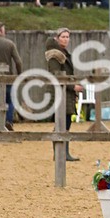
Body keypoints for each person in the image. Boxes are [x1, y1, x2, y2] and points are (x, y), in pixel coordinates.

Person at [45, 28, 83, 161]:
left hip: (66, 92)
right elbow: (57, 76)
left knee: (66, 123)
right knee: (61, 124)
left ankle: (63, 152)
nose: (66, 39)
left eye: (67, 37)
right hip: (60, 93)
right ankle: (60, 152)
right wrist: (73, 87)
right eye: (63, 37)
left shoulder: (64, 53)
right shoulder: (55, 55)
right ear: (57, 38)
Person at [0, 20, 22, 131]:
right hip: (7, 80)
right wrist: (19, 75)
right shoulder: (10, 44)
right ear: (1, 30)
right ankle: (8, 122)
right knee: (10, 101)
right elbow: (18, 62)